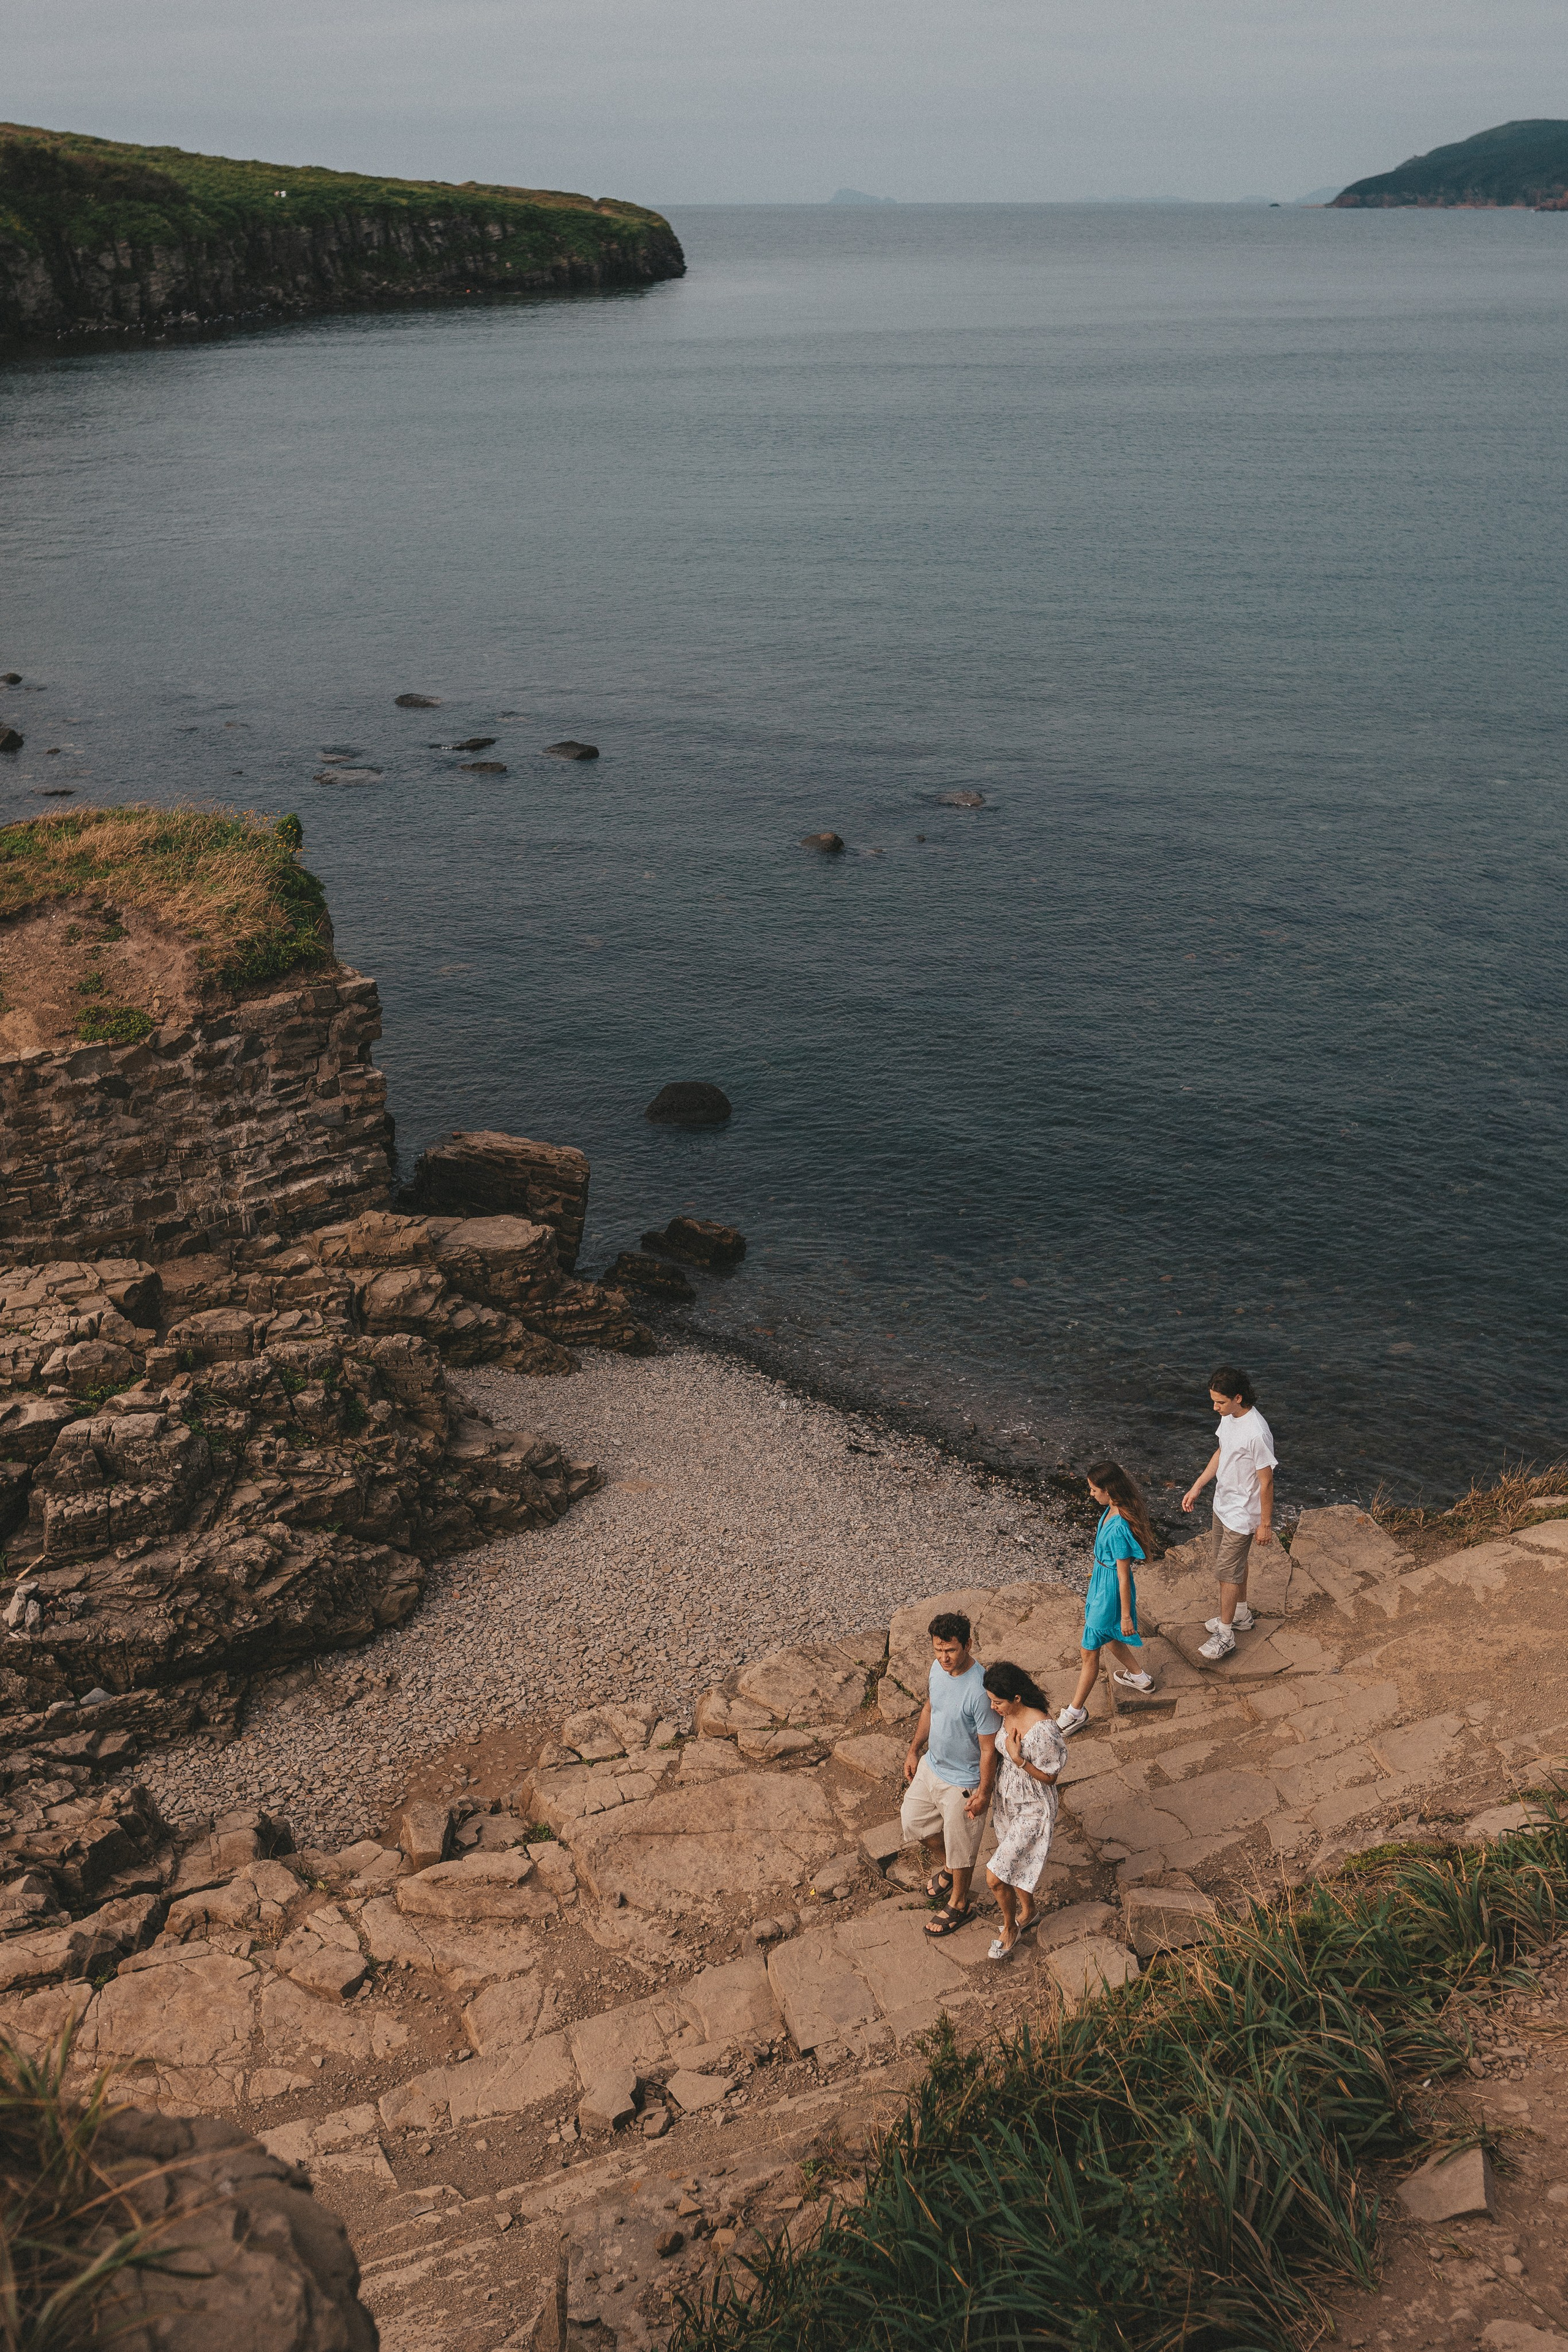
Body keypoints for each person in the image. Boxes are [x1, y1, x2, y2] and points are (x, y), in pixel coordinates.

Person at [901, 1610, 1000, 1938]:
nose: (944, 1657)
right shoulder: (937, 1669)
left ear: (968, 1645)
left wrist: (984, 1793)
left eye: (951, 1650)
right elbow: (931, 1708)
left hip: (964, 1782)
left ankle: (960, 1904)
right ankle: (951, 1868)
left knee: (963, 1848)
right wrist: (915, 1749)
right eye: (938, 1649)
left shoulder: (980, 1691)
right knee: (913, 1822)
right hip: (932, 1765)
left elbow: (989, 1749)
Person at [1056, 1460, 1159, 1736]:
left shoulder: (1118, 1528)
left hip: (1110, 1590)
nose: (1091, 1494)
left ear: (1108, 1490)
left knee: (1089, 1651)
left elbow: (1124, 1577)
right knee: (1107, 1635)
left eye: (1093, 1489)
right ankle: (1140, 1678)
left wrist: (1126, 1617)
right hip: (1101, 1581)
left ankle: (1075, 1712)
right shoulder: (1112, 1510)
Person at [1182, 1365, 1278, 1660]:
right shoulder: (1230, 1417)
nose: (1215, 1407)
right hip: (1222, 1505)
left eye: (1220, 1402)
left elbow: (1267, 1481)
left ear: (1238, 1397)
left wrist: (1265, 1524)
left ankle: (1225, 1634)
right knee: (1231, 1568)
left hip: (1242, 1514)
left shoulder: (1257, 1433)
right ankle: (1241, 1615)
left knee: (1227, 1573)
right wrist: (1198, 1486)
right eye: (1214, 1401)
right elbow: (1222, 1452)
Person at [981, 1660, 1066, 1959]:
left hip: (1033, 1808)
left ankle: (1010, 1928)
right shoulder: (1006, 1715)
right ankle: (1029, 1912)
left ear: (1017, 1698)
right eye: (991, 1700)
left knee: (995, 1877)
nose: (993, 1707)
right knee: (1015, 1864)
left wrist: (1019, 1760)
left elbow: (1051, 1777)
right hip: (1007, 1802)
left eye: (998, 1702)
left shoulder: (1043, 1730)